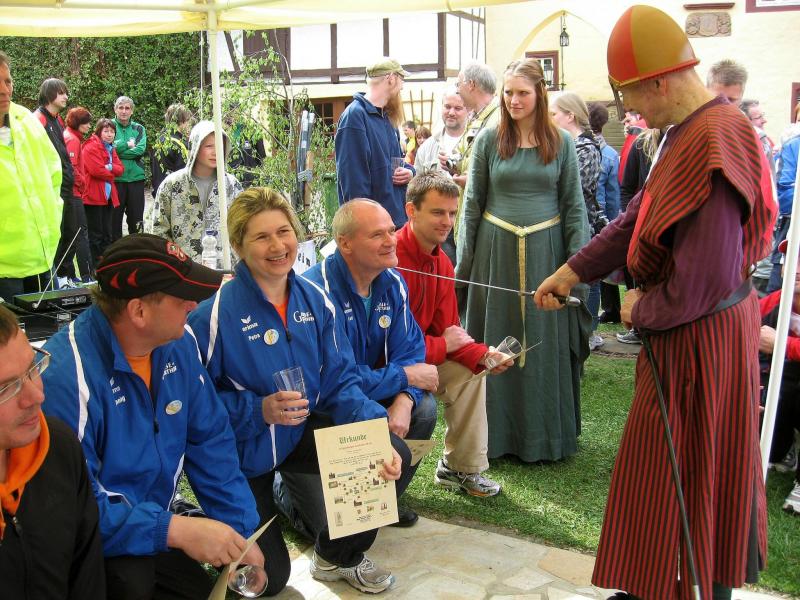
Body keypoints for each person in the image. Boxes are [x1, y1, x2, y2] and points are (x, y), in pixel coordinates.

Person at [535, 6, 775, 598]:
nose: (628, 112)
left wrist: (639, 310)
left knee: (698, 476)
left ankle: (697, 589)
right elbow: (637, 215)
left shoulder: (717, 137)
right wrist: (573, 270)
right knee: (657, 472)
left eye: (631, 96)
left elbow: (704, 279)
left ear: (662, 81)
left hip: (704, 340)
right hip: (684, 334)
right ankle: (652, 586)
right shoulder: (681, 132)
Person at [187, 188, 411, 594]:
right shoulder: (212, 317)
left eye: (284, 232)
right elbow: (192, 409)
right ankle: (202, 524)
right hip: (239, 459)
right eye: (262, 237)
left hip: (294, 436)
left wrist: (375, 428)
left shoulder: (315, 300)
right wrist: (257, 410)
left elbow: (340, 381)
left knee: (390, 453)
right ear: (238, 245)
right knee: (269, 580)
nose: (278, 247)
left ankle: (335, 556)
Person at [41, 233, 264, 600]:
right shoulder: (67, 378)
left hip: (154, 515)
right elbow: (76, 509)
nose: (193, 304)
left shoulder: (179, 342)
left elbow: (210, 441)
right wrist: (173, 530)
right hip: (95, 535)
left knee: (243, 573)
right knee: (131, 582)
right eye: (182, 298)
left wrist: (241, 533)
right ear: (139, 312)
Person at [455, 58, 590, 463]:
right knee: (494, 337)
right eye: (508, 93)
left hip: (546, 256)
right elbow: (472, 205)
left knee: (543, 340)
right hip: (495, 254)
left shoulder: (561, 142)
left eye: (522, 93)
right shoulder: (489, 139)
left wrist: (577, 268)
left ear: (540, 94)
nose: (514, 100)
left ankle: (544, 436)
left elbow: (574, 207)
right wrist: (465, 267)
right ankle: (493, 437)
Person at [280, 200, 438, 531]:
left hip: (366, 398)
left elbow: (410, 350)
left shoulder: (392, 282)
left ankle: (381, 500)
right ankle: (282, 489)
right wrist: (402, 377)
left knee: (423, 408)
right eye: (377, 235)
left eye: (392, 231)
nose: (391, 240)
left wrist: (404, 399)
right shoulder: (314, 292)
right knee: (325, 530)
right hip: (324, 411)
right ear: (345, 243)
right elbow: (331, 381)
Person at [397, 171, 511, 497]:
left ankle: (459, 468)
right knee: (428, 399)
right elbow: (386, 346)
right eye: (437, 212)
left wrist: (484, 355)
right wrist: (441, 345)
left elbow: (450, 332)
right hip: (386, 364)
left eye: (451, 213)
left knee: (469, 373)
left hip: (423, 356)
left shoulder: (443, 263)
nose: (447, 222)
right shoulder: (388, 258)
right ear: (411, 210)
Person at [0, 304, 105, 599]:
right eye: (5, 388)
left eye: (32, 368)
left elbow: (86, 573)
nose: (36, 396)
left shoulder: (56, 447)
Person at [0, 51, 63, 302]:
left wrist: (54, 214)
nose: (4, 90)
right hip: (5, 271)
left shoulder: (25, 118)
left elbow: (54, 173)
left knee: (51, 325)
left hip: (43, 258)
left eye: (7, 81)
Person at [149, 120, 243, 264]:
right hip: (183, 269)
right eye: (209, 146)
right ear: (195, 147)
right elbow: (159, 230)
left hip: (225, 267)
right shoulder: (172, 185)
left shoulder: (232, 185)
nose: (216, 152)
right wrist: (173, 263)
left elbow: (243, 228)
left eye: (220, 145)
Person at [551, 92, 603, 351]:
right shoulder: (564, 146)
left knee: (586, 279)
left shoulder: (587, 149)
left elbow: (574, 191)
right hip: (562, 224)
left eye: (554, 114)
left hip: (583, 225)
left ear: (570, 115)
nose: (550, 119)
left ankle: (588, 331)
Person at [335, 58, 413, 227]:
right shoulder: (355, 117)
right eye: (401, 79)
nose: (402, 86)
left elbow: (394, 164)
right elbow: (354, 185)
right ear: (391, 78)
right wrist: (366, 228)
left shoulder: (388, 118)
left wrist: (409, 172)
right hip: (373, 229)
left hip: (395, 225)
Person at [35, 79, 92, 287]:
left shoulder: (57, 120)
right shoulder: (38, 119)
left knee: (71, 232)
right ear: (50, 94)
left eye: (65, 92)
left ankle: (63, 276)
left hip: (65, 186)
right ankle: (56, 278)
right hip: (52, 189)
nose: (66, 96)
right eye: (61, 93)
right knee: (60, 233)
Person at [759, 239, 800, 515]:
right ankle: (782, 449)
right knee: (769, 391)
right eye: (791, 258)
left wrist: (781, 344)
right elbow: (744, 323)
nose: (796, 268)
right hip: (787, 380)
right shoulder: (777, 300)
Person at [414, 88, 469, 263]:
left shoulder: (476, 142)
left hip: (467, 223)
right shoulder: (427, 147)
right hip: (437, 227)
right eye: (447, 107)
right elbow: (417, 189)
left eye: (458, 108)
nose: (451, 112)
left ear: (468, 110)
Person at [587, 102, 622, 325]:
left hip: (585, 218)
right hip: (599, 221)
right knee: (596, 273)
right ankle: (592, 325)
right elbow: (613, 195)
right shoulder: (609, 154)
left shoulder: (575, 146)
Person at [83, 118, 124, 265]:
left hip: (107, 196)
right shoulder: (90, 147)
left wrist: (110, 167)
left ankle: (106, 264)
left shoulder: (110, 148)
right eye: (106, 131)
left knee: (107, 232)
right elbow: (96, 170)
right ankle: (94, 265)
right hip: (93, 196)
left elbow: (120, 169)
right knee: (95, 234)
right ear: (99, 132)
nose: (109, 134)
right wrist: (111, 172)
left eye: (112, 131)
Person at [63, 106, 95, 280]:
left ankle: (70, 274)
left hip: (72, 192)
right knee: (80, 234)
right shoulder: (73, 139)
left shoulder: (70, 136)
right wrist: (82, 183)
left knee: (73, 233)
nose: (89, 126)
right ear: (78, 123)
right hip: (73, 193)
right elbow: (71, 167)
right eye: (86, 122)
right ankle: (85, 275)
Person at [111, 96, 147, 240]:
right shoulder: (109, 127)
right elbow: (107, 150)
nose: (124, 111)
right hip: (116, 180)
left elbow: (140, 150)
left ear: (132, 111)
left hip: (136, 180)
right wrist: (127, 146)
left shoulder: (139, 128)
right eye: (121, 108)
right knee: (113, 222)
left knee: (136, 221)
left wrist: (118, 151)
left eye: (127, 108)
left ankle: (137, 250)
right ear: (115, 109)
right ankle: (114, 251)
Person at [150, 103, 192, 195]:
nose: (189, 124)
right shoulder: (179, 144)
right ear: (182, 121)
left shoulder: (160, 140)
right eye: (188, 120)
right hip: (176, 194)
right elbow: (184, 173)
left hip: (160, 191)